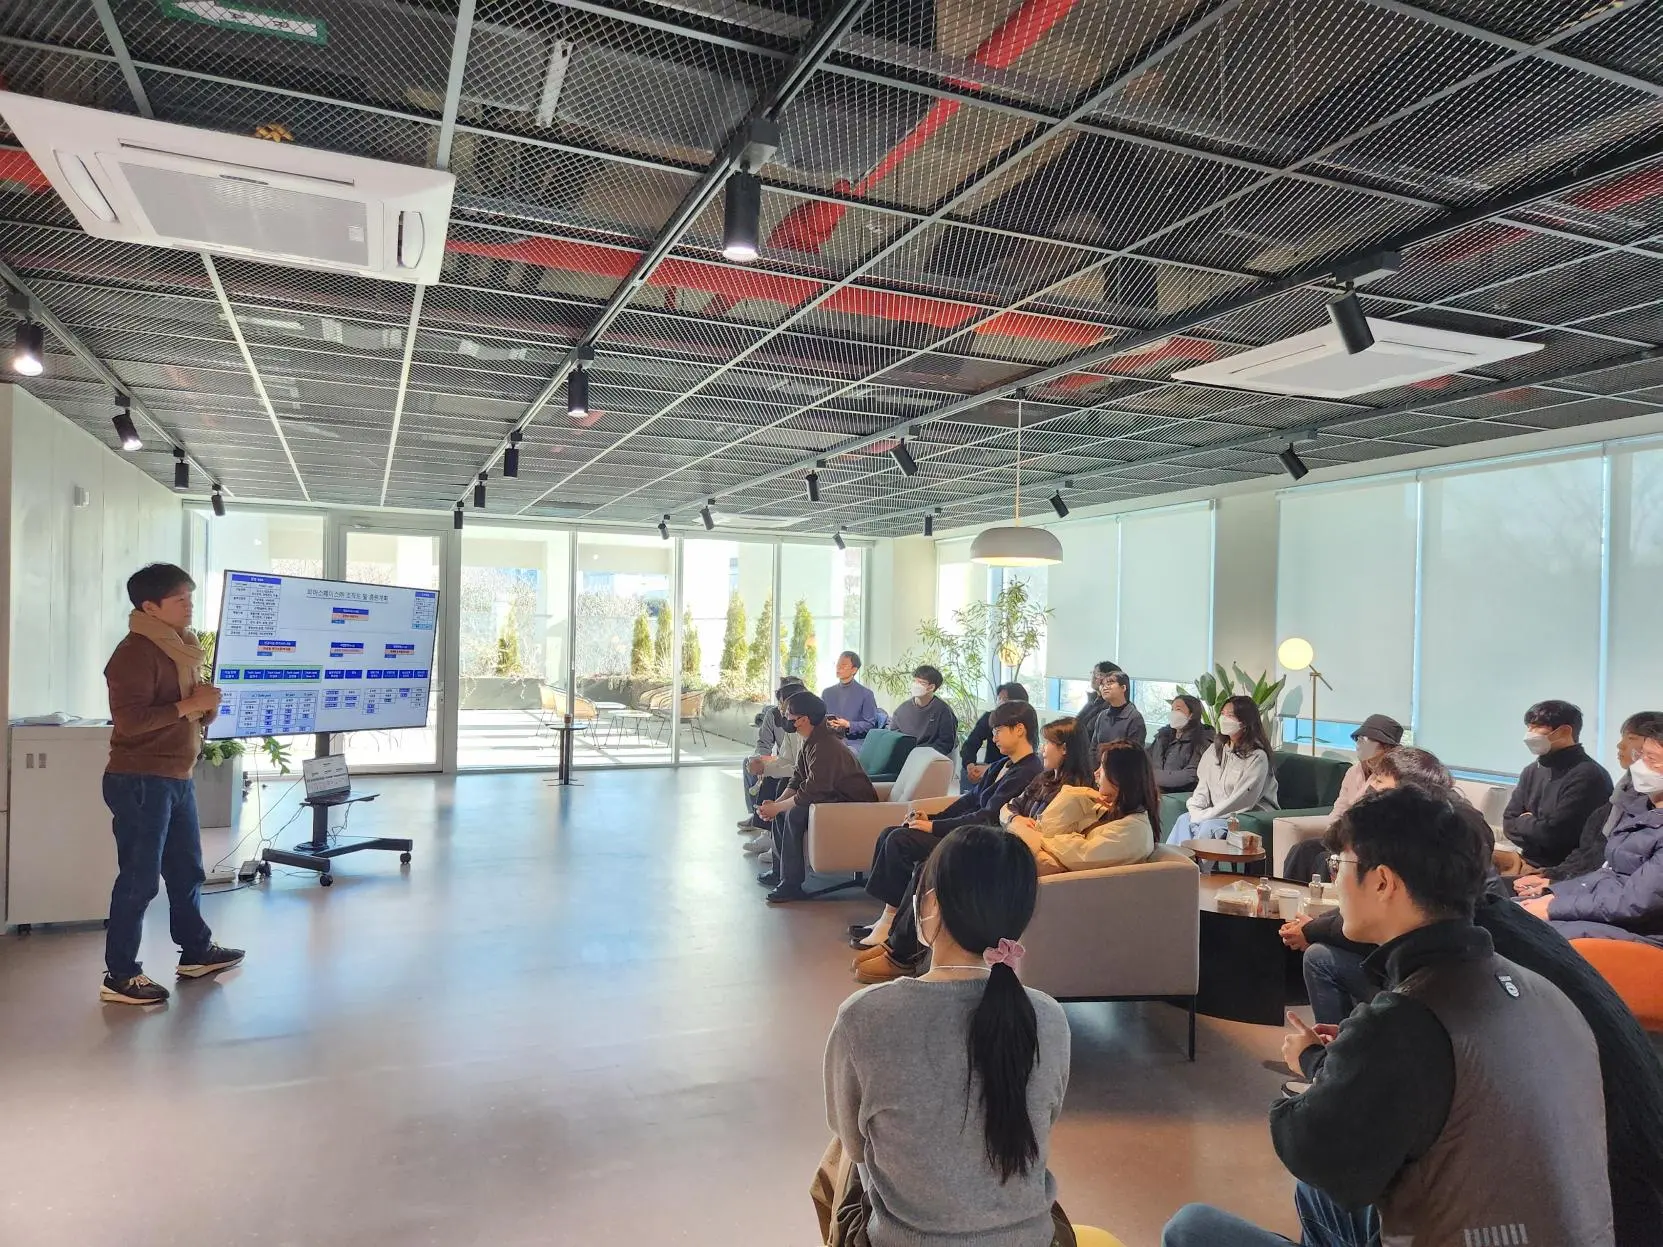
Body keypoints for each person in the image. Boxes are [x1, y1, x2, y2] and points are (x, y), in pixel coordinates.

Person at [1163, 788, 1614, 1247]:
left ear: (1382, 882)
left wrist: (1325, 1068)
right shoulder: (1536, 988)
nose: (1335, 880)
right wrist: (1353, 1060)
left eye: (1339, 866)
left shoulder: (1407, 1020)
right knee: (1321, 1196)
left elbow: (1308, 1147)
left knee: (1190, 1228)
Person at [822, 824, 1074, 1247]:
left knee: (838, 1159)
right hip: (1033, 1239)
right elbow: (1044, 1118)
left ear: (932, 904)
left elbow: (854, 1143)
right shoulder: (1047, 1017)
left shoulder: (864, 1017)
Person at [100, 564, 244, 1006]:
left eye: (190, 597)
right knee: (140, 880)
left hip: (176, 776)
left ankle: (196, 951)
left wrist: (204, 707)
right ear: (150, 607)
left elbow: (185, 710)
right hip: (141, 779)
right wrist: (189, 705)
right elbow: (131, 721)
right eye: (180, 599)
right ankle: (120, 975)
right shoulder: (134, 653)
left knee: (187, 871)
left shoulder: (181, 647)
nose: (189, 606)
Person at [1280, 746, 1497, 1024]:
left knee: (1322, 956)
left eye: (1379, 783)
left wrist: (1312, 929)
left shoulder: (1419, 1002)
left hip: (1420, 980)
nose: (1370, 788)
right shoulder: (1451, 833)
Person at [849, 700, 1043, 976]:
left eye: (999, 730)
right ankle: (889, 923)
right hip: (968, 833)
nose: (994, 737)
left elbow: (987, 817)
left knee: (902, 843)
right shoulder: (1003, 764)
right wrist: (931, 818)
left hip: (981, 843)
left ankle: (896, 939)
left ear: (1020, 729)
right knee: (891, 833)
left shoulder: (1028, 771)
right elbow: (970, 800)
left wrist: (933, 828)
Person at [1520, 715, 1663, 947]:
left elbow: (1635, 902)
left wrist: (1554, 907)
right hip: (1609, 914)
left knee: (1525, 933)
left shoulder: (1589, 777)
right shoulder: (1638, 810)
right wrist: (1555, 892)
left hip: (1641, 932)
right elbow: (1607, 873)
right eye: (1641, 755)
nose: (1639, 764)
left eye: (1651, 759)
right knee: (1509, 913)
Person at [757, 690, 878, 904]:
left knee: (794, 813)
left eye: (788, 714)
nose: (785, 717)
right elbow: (798, 779)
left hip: (853, 806)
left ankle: (791, 884)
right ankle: (781, 873)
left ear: (803, 719)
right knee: (784, 808)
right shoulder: (811, 739)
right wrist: (776, 805)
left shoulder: (825, 746)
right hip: (831, 797)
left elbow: (811, 790)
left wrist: (779, 807)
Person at [1277, 714, 1403, 879]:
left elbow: (1367, 811)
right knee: (1302, 850)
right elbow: (1340, 808)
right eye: (1358, 739)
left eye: (1366, 740)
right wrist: (1332, 836)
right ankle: (1291, 892)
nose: (1359, 744)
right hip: (1344, 836)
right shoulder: (1353, 772)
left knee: (1325, 860)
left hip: (1369, 842)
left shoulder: (1392, 777)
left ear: (1387, 748)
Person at [1010, 741, 1158, 874]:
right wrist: (1076, 793)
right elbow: (1045, 828)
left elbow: (1077, 854)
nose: (1096, 773)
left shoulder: (1133, 830)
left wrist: (1039, 838)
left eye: (1103, 768)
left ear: (1121, 777)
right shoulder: (1106, 809)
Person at [1504, 698, 1613, 870]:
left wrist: (1524, 821)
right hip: (1527, 860)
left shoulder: (1588, 775)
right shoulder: (1532, 770)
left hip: (1561, 871)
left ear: (1564, 731)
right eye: (1529, 727)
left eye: (1537, 727)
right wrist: (1534, 827)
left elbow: (1555, 836)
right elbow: (1509, 823)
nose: (1529, 733)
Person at [1165, 696, 1278, 845]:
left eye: (1230, 715)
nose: (1224, 719)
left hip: (1245, 816)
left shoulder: (1257, 757)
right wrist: (1195, 809)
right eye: (1223, 714)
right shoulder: (1215, 749)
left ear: (1244, 722)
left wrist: (1206, 816)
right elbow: (1203, 787)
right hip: (1215, 813)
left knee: (1208, 827)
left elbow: (1240, 801)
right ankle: (1176, 859)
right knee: (1184, 819)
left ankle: (1196, 860)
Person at [740, 680, 807, 857]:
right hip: (797, 774)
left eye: (782, 704)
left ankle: (773, 839)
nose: (779, 709)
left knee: (781, 780)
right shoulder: (789, 729)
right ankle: (767, 832)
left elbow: (802, 770)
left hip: (813, 783)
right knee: (770, 774)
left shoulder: (814, 733)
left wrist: (768, 770)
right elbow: (784, 758)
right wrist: (763, 766)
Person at [961, 682, 1027, 786]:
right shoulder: (990, 718)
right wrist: (970, 766)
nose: (1000, 703)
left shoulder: (1024, 724)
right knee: (968, 773)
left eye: (1005, 699)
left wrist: (989, 769)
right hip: (990, 768)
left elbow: (1021, 759)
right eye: (999, 698)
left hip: (1012, 771)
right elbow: (970, 744)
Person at [888, 664, 959, 758]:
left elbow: (946, 743)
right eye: (914, 681)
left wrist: (922, 755)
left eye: (921, 683)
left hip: (933, 757)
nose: (916, 685)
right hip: (907, 756)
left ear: (931, 687)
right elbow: (893, 736)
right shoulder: (902, 710)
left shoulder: (943, 711)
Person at [1147, 694, 1214, 794]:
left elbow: (1191, 775)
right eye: (1172, 709)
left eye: (1178, 709)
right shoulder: (1162, 736)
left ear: (1191, 714)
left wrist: (1152, 777)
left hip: (1181, 794)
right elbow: (1146, 758)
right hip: (1154, 789)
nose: (1173, 713)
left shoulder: (1202, 740)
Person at [822, 650, 879, 749]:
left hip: (854, 742)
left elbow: (870, 725)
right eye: (838, 664)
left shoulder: (866, 694)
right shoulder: (827, 693)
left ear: (854, 670)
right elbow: (820, 717)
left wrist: (848, 724)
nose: (839, 667)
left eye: (843, 665)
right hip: (830, 739)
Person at [1071, 661, 1123, 764]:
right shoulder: (1093, 700)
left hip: (1093, 760)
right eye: (1093, 673)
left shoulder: (1112, 707)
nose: (1093, 677)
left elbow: (1090, 732)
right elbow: (1075, 724)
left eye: (1098, 674)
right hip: (1078, 754)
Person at [1089, 671, 1145, 751]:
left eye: (1109, 684)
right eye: (1103, 685)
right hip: (1099, 759)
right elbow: (1093, 748)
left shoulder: (1134, 717)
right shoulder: (1102, 715)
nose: (1104, 688)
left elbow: (1134, 753)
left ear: (1123, 688)